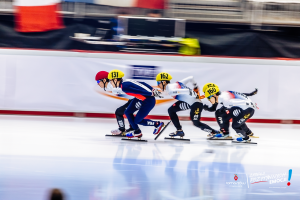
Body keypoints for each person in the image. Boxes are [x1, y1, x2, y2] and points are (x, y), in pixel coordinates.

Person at [155, 72, 220, 138]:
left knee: (196, 123)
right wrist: (195, 86)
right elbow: (191, 78)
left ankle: (214, 132)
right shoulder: (177, 83)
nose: (157, 85)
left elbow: (186, 91)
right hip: (189, 103)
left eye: (158, 83)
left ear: (163, 82)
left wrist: (192, 92)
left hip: (196, 104)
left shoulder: (170, 90)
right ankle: (179, 130)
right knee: (171, 110)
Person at [107, 69, 164, 138]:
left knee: (137, 121)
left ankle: (157, 124)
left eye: (110, 81)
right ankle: (137, 131)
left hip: (148, 101)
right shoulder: (125, 82)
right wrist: (153, 90)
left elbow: (139, 91)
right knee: (127, 112)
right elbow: (143, 83)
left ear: (115, 80)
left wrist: (151, 93)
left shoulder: (124, 87)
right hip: (140, 98)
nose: (110, 83)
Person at [95, 71, 134, 135]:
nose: (97, 84)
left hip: (136, 99)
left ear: (104, 80)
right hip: (133, 99)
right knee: (122, 111)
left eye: (98, 81)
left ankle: (127, 129)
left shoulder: (112, 86)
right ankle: (128, 128)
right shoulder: (110, 86)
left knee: (121, 112)